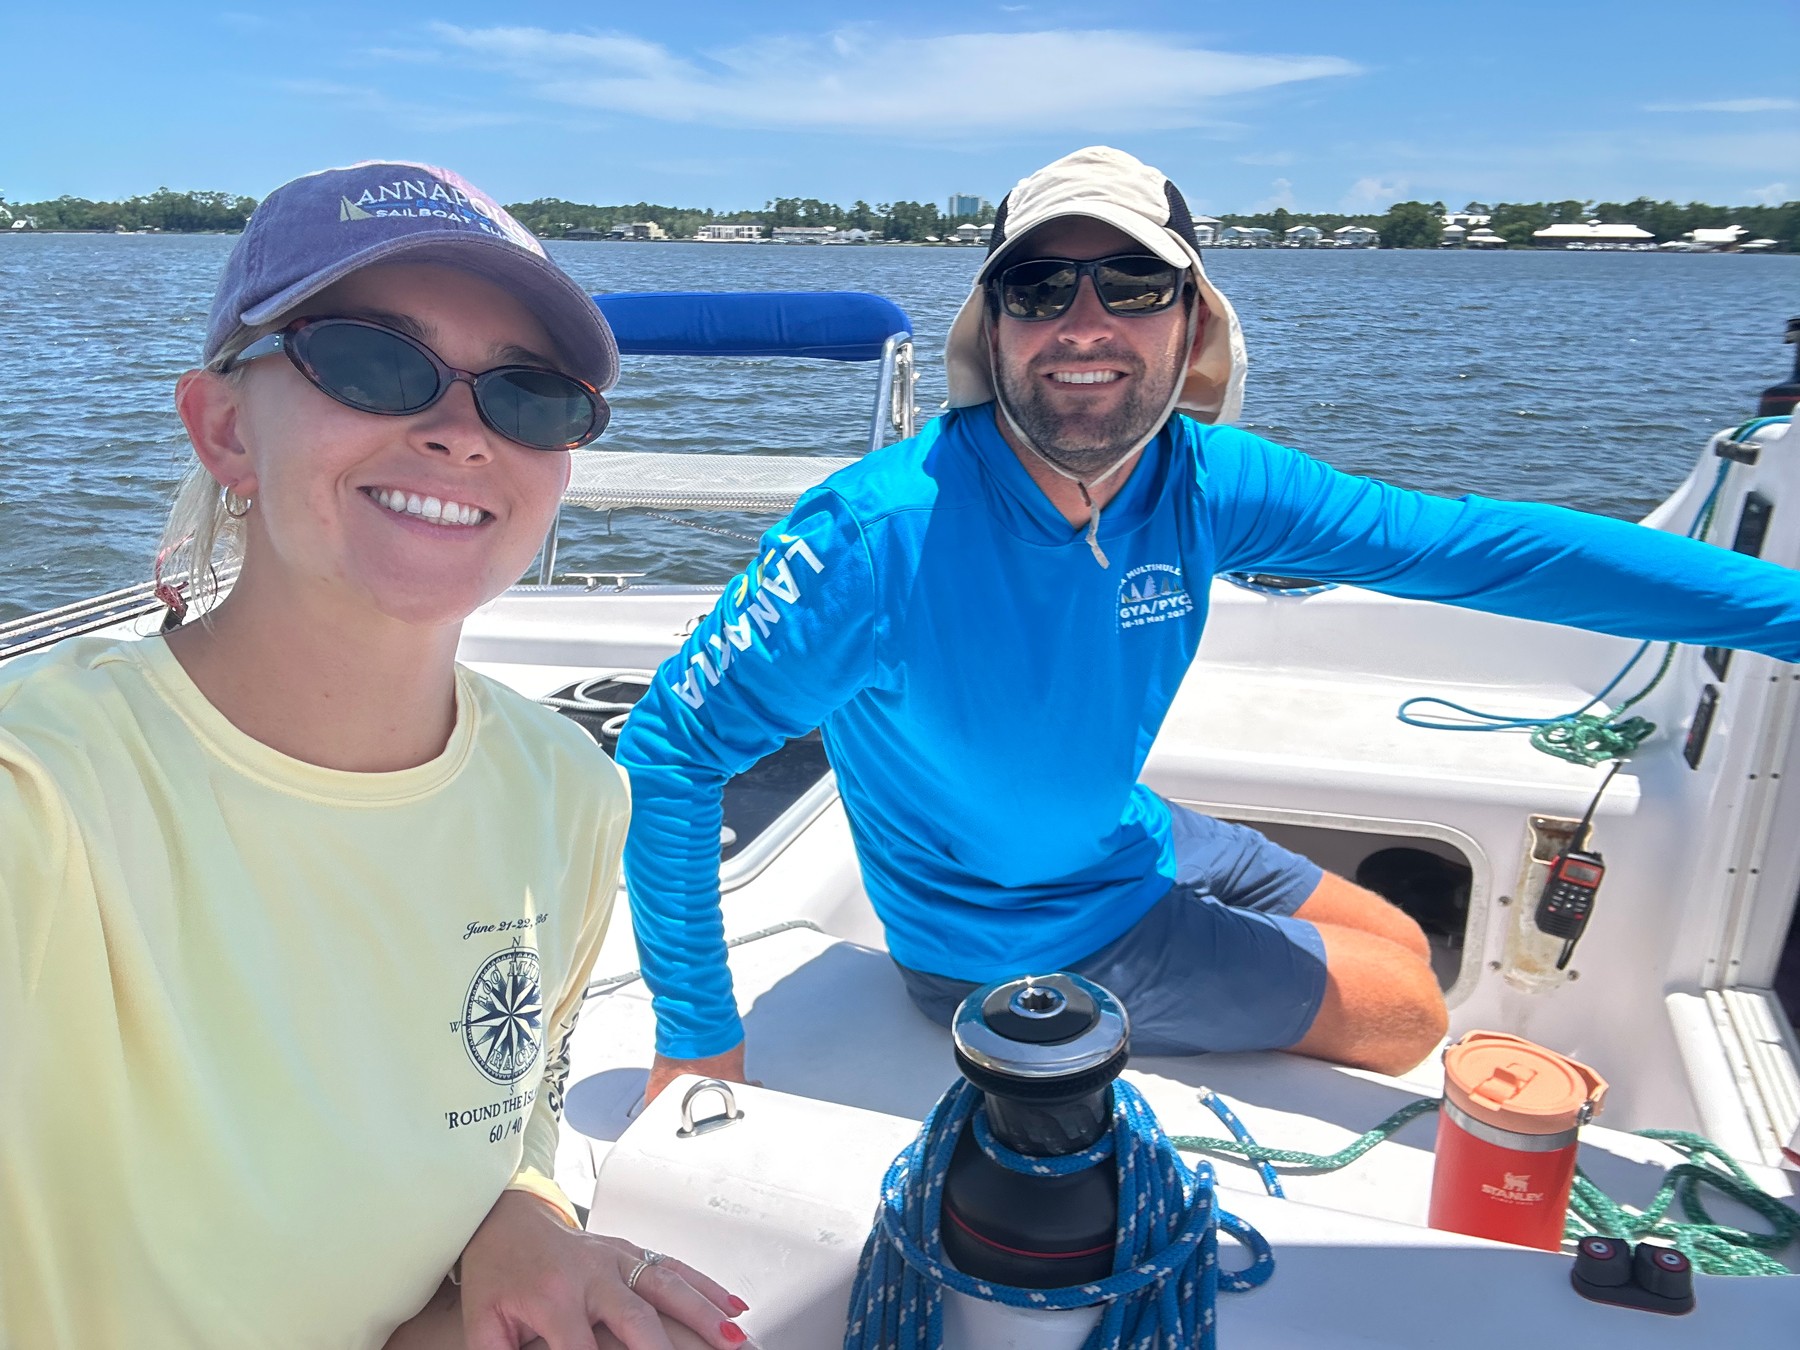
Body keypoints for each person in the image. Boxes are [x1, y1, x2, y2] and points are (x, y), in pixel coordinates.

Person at [616, 145, 1800, 1101]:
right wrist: (699, 1034)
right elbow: (671, 747)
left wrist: (1784, 615)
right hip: (1009, 939)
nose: (1085, 323)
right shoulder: (878, 536)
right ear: (998, 326)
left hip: (1132, 833)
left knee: (1395, 932)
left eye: (1131, 286)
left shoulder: (1200, 478)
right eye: (1041, 287)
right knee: (1414, 1013)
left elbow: (1465, 546)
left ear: (1191, 324)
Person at [0, 163, 749, 1350]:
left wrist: (523, 1208)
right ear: (226, 427)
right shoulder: (37, 802)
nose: (459, 433)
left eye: (530, 393)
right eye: (372, 361)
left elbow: (516, 1112)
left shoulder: (564, 794)